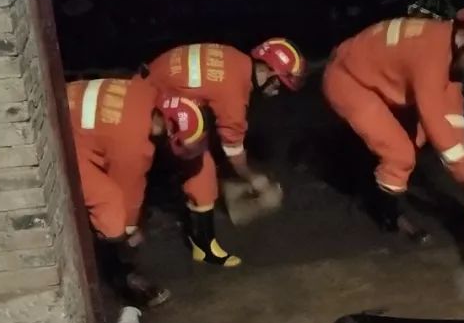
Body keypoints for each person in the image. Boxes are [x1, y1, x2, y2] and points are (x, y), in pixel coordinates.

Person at [322, 0, 464, 239]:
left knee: (414, 138)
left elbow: (451, 112)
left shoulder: (446, 45)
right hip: (348, 82)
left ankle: (374, 186)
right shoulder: (430, 54)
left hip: (372, 79)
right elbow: (433, 117)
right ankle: (386, 215)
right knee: (400, 153)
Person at [146, 38, 307, 266]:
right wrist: (252, 178)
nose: (278, 90)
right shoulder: (234, 93)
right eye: (279, 83)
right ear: (269, 70)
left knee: (202, 142)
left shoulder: (236, 59)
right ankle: (203, 246)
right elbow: (233, 146)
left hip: (152, 83)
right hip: (152, 100)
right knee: (201, 169)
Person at [67, 75, 209, 307]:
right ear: (166, 125)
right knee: (110, 203)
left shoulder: (145, 91)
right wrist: (130, 231)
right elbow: (128, 193)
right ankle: (118, 273)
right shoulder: (136, 145)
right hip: (61, 138)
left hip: (67, 109)